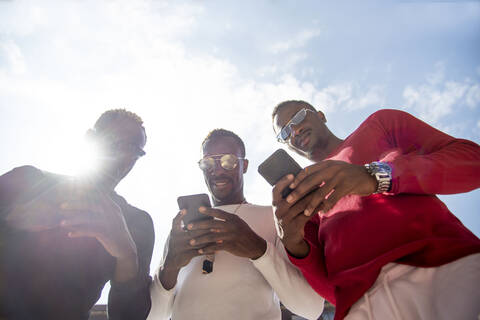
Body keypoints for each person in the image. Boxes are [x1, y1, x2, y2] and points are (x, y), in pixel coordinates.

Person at [270, 100, 480, 320]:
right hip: (364, 307)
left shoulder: (380, 124)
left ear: (320, 115)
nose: (294, 130)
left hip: (447, 267)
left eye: (298, 117)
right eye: (284, 132)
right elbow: (330, 291)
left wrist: (376, 176)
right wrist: (294, 245)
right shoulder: (304, 194)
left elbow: (473, 161)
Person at [148, 129, 324, 320]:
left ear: (244, 165)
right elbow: (153, 317)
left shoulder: (274, 217)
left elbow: (311, 308)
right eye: (207, 163)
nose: (217, 170)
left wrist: (259, 250)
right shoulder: (182, 231)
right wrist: (169, 268)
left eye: (228, 161)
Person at [0, 109, 154, 320]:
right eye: (114, 141)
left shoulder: (137, 223)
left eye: (134, 151)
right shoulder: (28, 180)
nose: (123, 156)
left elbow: (128, 316)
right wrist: (11, 220)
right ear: (90, 139)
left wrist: (127, 256)